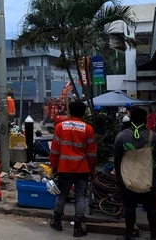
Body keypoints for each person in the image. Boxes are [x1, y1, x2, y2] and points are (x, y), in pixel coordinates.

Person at [114, 106, 156, 240]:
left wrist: (119, 177)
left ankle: (129, 235)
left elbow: (117, 159)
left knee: (129, 207)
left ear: (131, 119)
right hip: (149, 179)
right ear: (146, 121)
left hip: (128, 179)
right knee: (152, 209)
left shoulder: (122, 136)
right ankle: (154, 236)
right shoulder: (155, 137)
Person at [49, 100, 97, 238]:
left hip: (64, 168)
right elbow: (92, 154)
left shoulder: (60, 127)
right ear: (83, 112)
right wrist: (92, 170)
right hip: (82, 169)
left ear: (69, 111)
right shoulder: (88, 129)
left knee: (62, 195)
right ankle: (77, 227)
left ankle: (57, 222)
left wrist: (53, 167)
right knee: (80, 197)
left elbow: (54, 150)